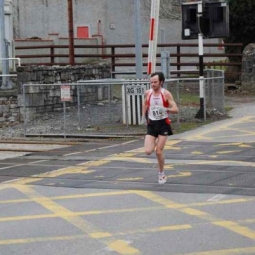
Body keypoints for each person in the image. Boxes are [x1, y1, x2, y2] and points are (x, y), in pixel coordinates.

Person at [141, 72, 179, 184]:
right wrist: (143, 116)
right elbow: (145, 104)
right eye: (151, 82)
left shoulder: (166, 94)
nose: (153, 84)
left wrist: (166, 110)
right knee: (148, 151)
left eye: (155, 82)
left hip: (163, 124)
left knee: (158, 152)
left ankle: (161, 174)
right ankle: (155, 139)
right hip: (152, 124)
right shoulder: (148, 93)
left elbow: (176, 109)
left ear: (161, 82)